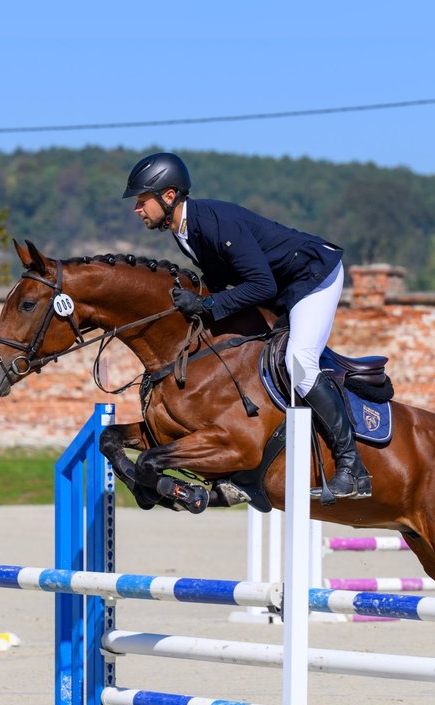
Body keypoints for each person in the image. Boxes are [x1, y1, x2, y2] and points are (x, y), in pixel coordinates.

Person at [123, 151, 372, 502]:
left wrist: (208, 304)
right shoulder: (183, 231)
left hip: (312, 277)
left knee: (298, 364)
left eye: (141, 199)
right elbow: (226, 280)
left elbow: (262, 287)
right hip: (279, 285)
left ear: (169, 196)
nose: (137, 208)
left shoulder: (213, 223)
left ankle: (352, 467)